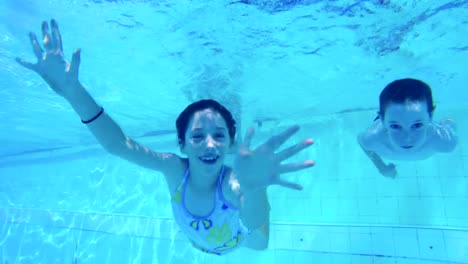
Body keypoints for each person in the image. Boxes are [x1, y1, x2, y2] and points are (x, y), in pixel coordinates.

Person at [16, 19, 315, 255]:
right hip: (199, 240)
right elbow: (118, 145)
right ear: (182, 144)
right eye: (197, 135)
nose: (210, 143)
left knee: (260, 242)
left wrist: (254, 187)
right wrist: (73, 92)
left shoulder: (231, 182)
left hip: (241, 241)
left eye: (219, 136)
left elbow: (252, 221)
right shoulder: (174, 168)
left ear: (228, 144)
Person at [358, 78, 457, 178]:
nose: (407, 138)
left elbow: (449, 123)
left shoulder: (445, 141)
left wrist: (383, 168)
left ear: (431, 116)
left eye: (417, 125)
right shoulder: (372, 139)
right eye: (395, 126)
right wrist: (381, 166)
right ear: (382, 120)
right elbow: (361, 140)